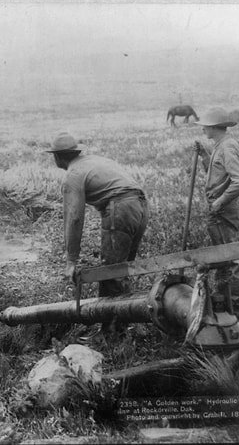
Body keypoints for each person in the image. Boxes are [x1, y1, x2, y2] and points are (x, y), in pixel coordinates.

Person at [46, 132, 149, 340]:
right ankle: (124, 324)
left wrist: (71, 260)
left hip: (120, 207)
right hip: (141, 206)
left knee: (111, 271)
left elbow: (74, 218)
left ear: (58, 156)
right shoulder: (94, 161)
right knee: (122, 269)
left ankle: (111, 334)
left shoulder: (73, 174)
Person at [193, 107, 239, 320]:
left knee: (230, 261)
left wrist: (220, 201)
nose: (204, 130)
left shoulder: (227, 147)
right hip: (219, 211)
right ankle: (226, 308)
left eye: (206, 126)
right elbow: (218, 174)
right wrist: (204, 155)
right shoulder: (220, 146)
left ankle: (238, 313)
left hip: (223, 213)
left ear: (215, 127)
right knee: (223, 260)